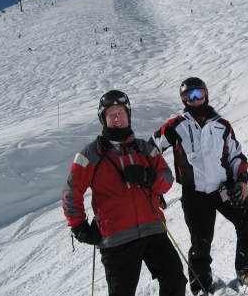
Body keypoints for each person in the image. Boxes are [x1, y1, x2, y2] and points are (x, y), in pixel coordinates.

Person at [62, 90, 187, 296]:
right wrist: (79, 226)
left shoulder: (144, 148)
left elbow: (166, 180)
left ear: (128, 115)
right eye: (111, 115)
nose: (117, 118)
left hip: (153, 229)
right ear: (104, 119)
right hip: (116, 239)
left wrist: (148, 177)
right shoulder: (90, 154)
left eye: (121, 112)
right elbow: (71, 190)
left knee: (175, 279)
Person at [151, 78, 248, 295]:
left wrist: (242, 181)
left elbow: (236, 155)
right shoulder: (176, 125)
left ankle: (247, 273)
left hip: (225, 189)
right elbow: (150, 150)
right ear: (183, 100)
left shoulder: (221, 125)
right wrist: (153, 180)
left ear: (206, 94)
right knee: (200, 243)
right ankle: (201, 285)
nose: (195, 100)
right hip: (195, 194)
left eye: (198, 94)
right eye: (189, 97)